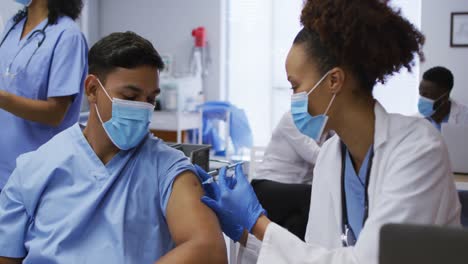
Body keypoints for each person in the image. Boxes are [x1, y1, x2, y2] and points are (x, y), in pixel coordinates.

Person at [196, 0, 461, 263]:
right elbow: (319, 254)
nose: (293, 98)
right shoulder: (331, 157)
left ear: (334, 80)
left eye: (295, 85)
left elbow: (371, 260)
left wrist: (259, 224)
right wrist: (245, 234)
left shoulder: (418, 150)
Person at [0, 32, 227, 264]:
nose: (142, 109)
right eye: (130, 96)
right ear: (92, 90)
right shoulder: (35, 168)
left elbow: (208, 250)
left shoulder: (168, 168)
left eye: (150, 99)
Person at [0, 0, 88, 190]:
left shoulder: (68, 35)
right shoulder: (12, 27)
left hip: (41, 172)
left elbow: (55, 114)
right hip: (4, 169)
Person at [250, 111, 325, 240]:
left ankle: (298, 257)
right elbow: (315, 155)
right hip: (265, 188)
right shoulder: (292, 118)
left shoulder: (327, 126)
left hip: (294, 198)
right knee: (312, 196)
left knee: (297, 221)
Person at [418, 66, 468, 130]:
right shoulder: (416, 119)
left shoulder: (465, 117)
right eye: (420, 93)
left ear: (444, 97)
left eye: (426, 94)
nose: (421, 98)